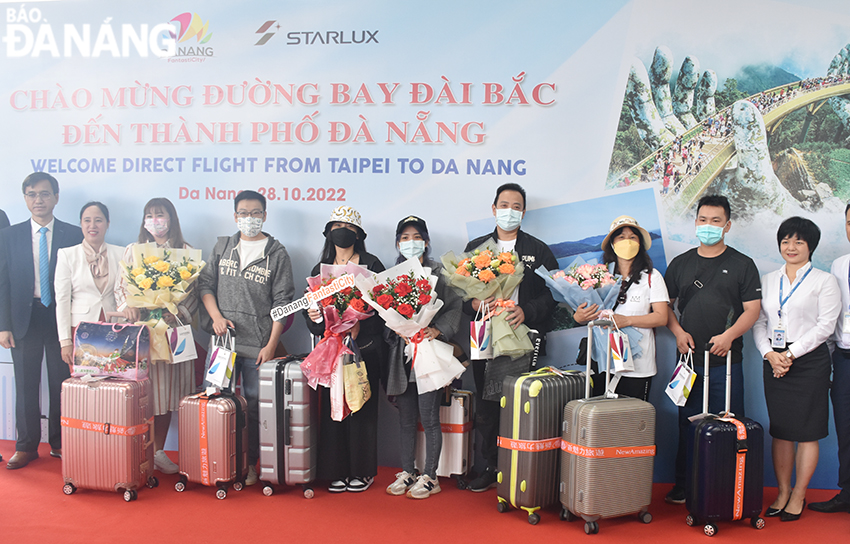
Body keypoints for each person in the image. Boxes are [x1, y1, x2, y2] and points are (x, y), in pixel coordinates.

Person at [663, 194, 761, 504]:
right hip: (689, 362)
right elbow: (664, 306)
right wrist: (677, 331)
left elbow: (752, 310)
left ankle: (727, 485)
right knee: (687, 423)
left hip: (726, 363)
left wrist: (729, 336)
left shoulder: (742, 264)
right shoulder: (680, 264)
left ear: (727, 225)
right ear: (695, 223)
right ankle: (684, 483)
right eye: (703, 220)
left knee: (729, 423)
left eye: (716, 221)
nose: (708, 226)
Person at [463, 183, 558, 492]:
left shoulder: (538, 249)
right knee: (487, 404)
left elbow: (553, 295)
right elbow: (460, 295)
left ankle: (520, 466)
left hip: (522, 336)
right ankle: (489, 466)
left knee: (521, 404)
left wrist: (526, 311)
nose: (509, 211)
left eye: (516, 206)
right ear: (493, 209)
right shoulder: (477, 247)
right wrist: (474, 304)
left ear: (524, 212)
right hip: (486, 337)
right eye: (504, 205)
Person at [198, 190, 294, 486]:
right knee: (216, 402)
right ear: (235, 215)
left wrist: (271, 344)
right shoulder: (223, 247)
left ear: (265, 216)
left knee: (253, 406)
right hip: (223, 345)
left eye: (255, 213)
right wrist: (215, 317)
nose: (249, 218)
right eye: (243, 213)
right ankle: (216, 462)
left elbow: (283, 302)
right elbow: (205, 285)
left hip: (259, 346)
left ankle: (250, 463)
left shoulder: (277, 254)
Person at [753, 216, 840, 522]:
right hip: (774, 361)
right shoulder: (767, 280)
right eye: (786, 240)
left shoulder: (824, 281)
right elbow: (759, 321)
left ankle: (800, 494)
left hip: (810, 362)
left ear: (810, 246)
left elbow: (825, 327)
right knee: (781, 430)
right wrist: (769, 353)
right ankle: (782, 491)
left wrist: (789, 354)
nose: (791, 247)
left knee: (807, 432)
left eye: (798, 242)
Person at [0, 172, 83, 469]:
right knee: (25, 385)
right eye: (32, 194)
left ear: (56, 197)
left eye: (45, 194)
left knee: (62, 383)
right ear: (25, 198)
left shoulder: (73, 234)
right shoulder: (9, 235)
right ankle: (26, 446)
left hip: (61, 318)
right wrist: (3, 324)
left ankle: (60, 443)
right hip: (24, 318)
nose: (39, 200)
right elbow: (2, 282)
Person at [305, 206, 386, 493]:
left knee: (361, 406)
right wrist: (315, 318)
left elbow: (384, 309)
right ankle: (335, 469)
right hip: (331, 351)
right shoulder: (320, 269)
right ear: (328, 232)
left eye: (349, 226)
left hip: (364, 350)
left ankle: (362, 471)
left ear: (359, 233)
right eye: (337, 225)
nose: (342, 231)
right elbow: (312, 316)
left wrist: (361, 327)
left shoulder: (373, 264)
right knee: (333, 409)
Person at [115, 198, 197, 475]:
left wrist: (178, 312)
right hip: (142, 335)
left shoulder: (185, 253)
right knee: (143, 394)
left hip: (174, 334)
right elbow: (121, 287)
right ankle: (138, 452)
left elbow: (195, 293)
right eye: (148, 215)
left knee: (168, 394)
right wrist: (130, 307)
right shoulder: (133, 251)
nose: (154, 220)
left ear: (171, 218)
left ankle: (159, 450)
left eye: (159, 215)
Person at [384, 215, 462, 499]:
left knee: (429, 418)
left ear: (426, 242)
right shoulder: (391, 275)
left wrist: (437, 329)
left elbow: (455, 306)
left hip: (428, 355)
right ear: (397, 243)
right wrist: (398, 330)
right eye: (405, 238)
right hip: (401, 358)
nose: (411, 242)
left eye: (416, 237)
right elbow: (383, 315)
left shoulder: (439, 273)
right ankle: (408, 471)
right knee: (406, 419)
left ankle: (431, 475)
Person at [573, 216, 669, 400]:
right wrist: (579, 316)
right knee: (600, 421)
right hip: (603, 361)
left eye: (633, 237)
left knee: (631, 422)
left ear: (640, 243)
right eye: (621, 237)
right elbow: (583, 315)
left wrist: (627, 321)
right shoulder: (597, 276)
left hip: (638, 364)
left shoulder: (652, 277)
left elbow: (661, 317)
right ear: (612, 244)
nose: (627, 242)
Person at [54, 202, 124, 370]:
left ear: (108, 224)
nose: (92, 226)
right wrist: (65, 342)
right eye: (87, 220)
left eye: (98, 220)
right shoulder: (67, 254)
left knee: (114, 379)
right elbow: (62, 300)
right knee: (84, 383)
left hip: (114, 327)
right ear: (81, 224)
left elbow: (126, 293)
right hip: (80, 330)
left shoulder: (122, 253)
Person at [812, 205, 850, 514]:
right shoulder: (839, 265)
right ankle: (847, 493)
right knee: (846, 426)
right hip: (845, 357)